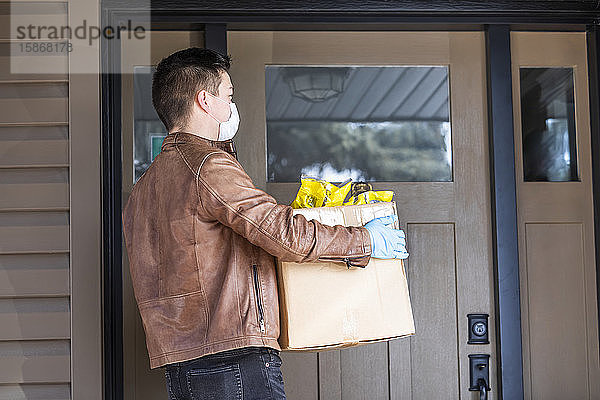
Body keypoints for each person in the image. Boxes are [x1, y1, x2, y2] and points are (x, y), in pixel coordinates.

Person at [121, 47, 408, 400]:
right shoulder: (208, 166)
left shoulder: (143, 188)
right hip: (232, 354)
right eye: (228, 96)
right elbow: (281, 232)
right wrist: (364, 241)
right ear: (204, 101)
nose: (231, 107)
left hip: (181, 359)